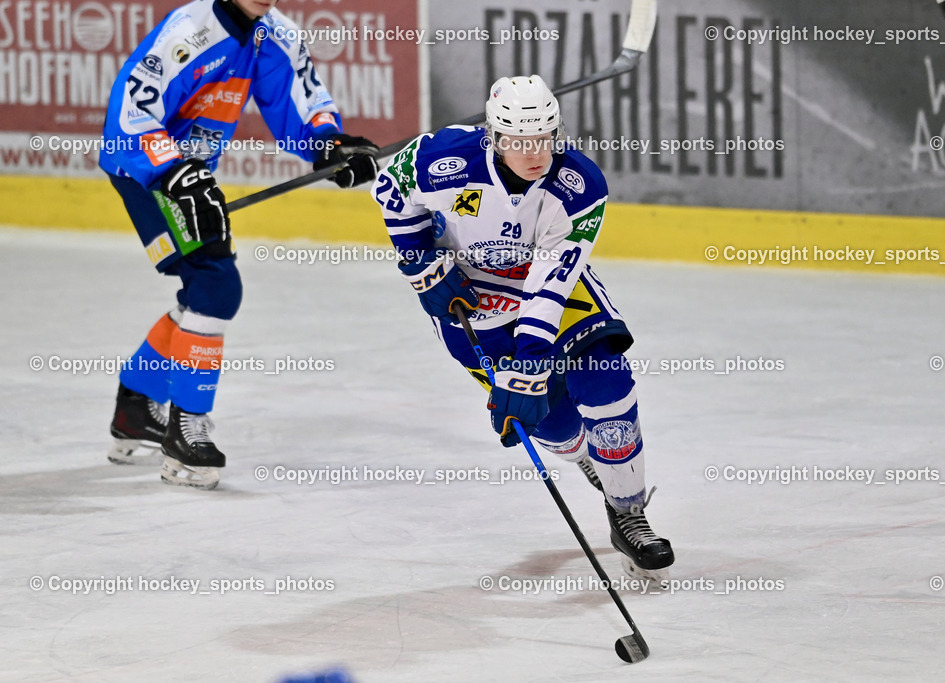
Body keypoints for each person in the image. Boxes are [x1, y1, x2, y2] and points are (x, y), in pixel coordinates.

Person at [372, 75, 674, 575]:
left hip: (550, 294)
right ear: (494, 135)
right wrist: (420, 263)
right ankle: (585, 456)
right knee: (549, 421)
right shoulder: (439, 158)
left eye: (544, 138)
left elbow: (550, 284)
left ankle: (629, 513)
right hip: (468, 301)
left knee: (604, 377)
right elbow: (390, 193)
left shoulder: (579, 186)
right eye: (518, 141)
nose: (534, 152)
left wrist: (530, 356)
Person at [100, 0, 379, 489]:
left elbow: (299, 105)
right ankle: (186, 432)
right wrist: (172, 171)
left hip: (190, 174)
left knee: (202, 294)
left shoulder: (277, 36)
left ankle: (136, 404)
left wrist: (330, 146)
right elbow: (131, 113)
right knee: (215, 284)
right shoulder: (189, 31)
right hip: (147, 169)